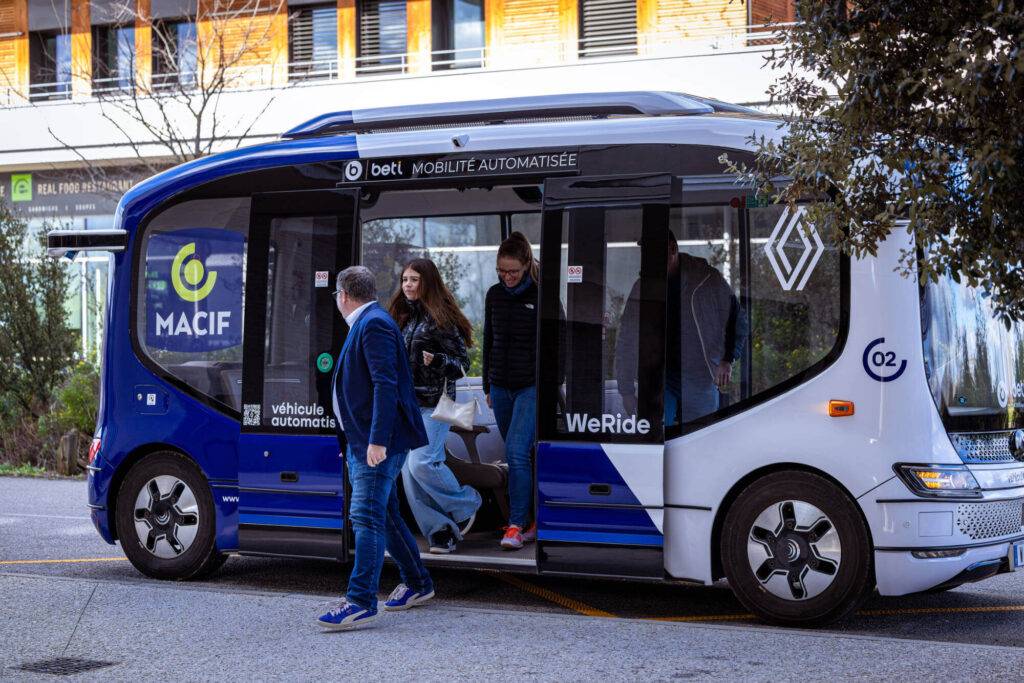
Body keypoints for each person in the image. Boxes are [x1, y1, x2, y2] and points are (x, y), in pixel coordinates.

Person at [316, 266, 434, 631]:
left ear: (344, 294)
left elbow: (386, 385)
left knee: (365, 514)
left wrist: (377, 441)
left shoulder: (375, 325)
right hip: (363, 440)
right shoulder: (367, 323)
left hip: (377, 442)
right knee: (385, 515)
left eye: (336, 294)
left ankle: (360, 600)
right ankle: (418, 583)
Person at [388, 258, 482, 554]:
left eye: (414, 279)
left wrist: (439, 360)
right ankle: (441, 531)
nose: (408, 285)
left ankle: (467, 502)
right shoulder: (403, 317)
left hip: (435, 404)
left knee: (421, 463)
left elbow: (463, 364)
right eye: (405, 279)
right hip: (408, 405)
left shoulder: (441, 319)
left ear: (427, 282)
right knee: (409, 472)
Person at [616, 230, 745, 426]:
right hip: (659, 377)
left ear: (672, 249)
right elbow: (627, 338)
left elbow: (738, 319)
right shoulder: (642, 287)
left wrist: (727, 359)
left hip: (701, 376)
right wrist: (625, 390)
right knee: (655, 433)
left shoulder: (708, 279)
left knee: (701, 436)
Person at [484, 232, 539, 551]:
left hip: (530, 386)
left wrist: (550, 385)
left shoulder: (541, 295)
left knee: (517, 452)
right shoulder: (494, 295)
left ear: (526, 265)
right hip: (501, 387)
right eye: (501, 271)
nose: (506, 277)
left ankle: (515, 525)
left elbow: (556, 342)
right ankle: (531, 519)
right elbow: (490, 339)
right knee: (520, 454)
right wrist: (489, 384)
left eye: (512, 271)